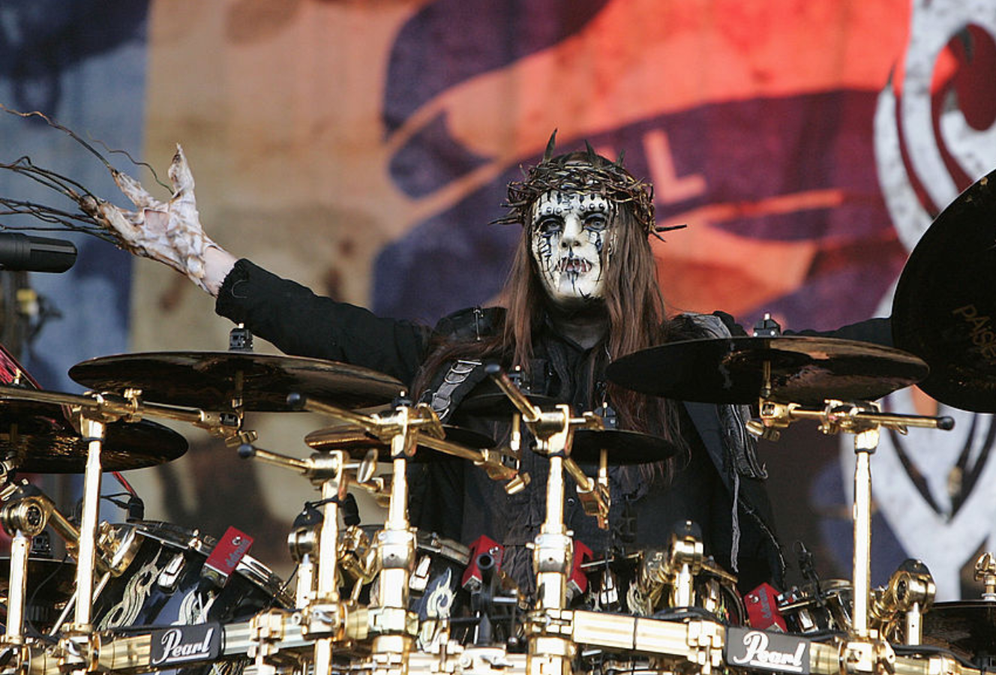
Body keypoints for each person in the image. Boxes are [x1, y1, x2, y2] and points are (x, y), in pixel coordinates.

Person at [89, 138, 821, 598]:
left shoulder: (699, 360)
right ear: (528, 247)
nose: (569, 241)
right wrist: (200, 259)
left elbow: (839, 356)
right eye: (549, 225)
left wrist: (937, 324)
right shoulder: (472, 357)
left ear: (628, 241)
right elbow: (336, 331)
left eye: (591, 222)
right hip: (490, 637)